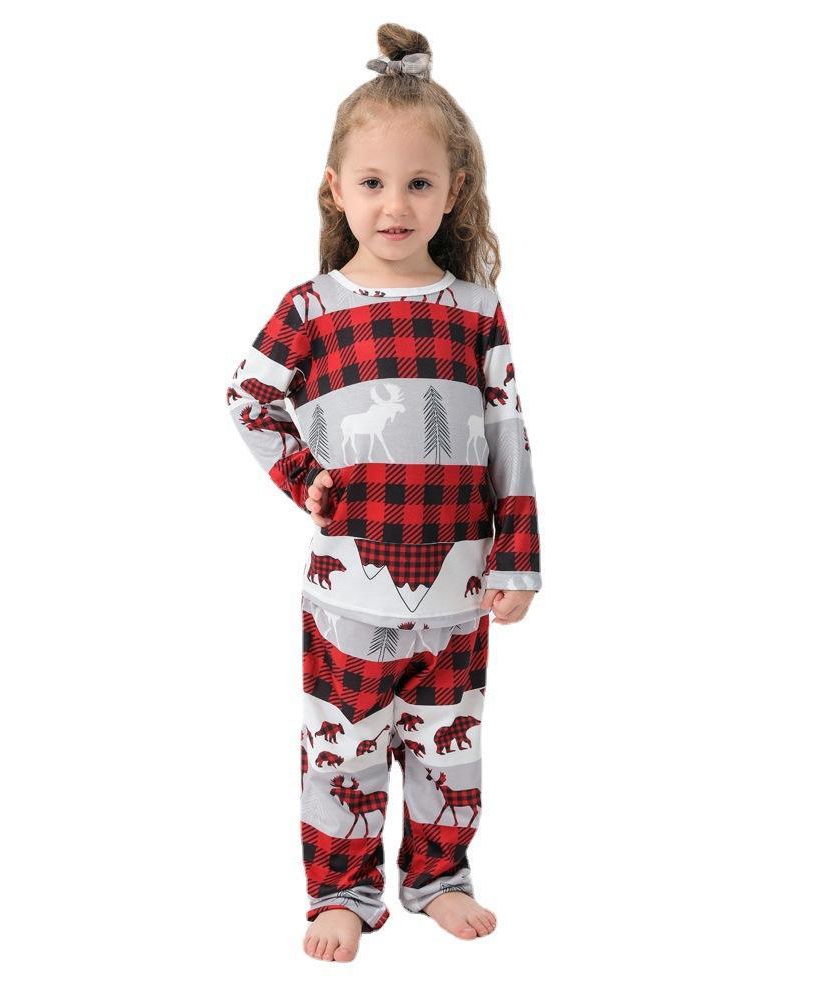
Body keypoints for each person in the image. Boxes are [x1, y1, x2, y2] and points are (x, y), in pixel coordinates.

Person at [225, 23, 542, 962]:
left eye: (417, 183)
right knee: (344, 742)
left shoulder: (477, 310)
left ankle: (441, 877)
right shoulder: (312, 307)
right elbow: (248, 398)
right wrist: (304, 478)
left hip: (461, 590)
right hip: (348, 596)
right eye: (372, 183)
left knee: (450, 743)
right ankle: (341, 892)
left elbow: (508, 435)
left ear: (453, 191)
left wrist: (518, 559)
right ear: (337, 189)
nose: (394, 205)